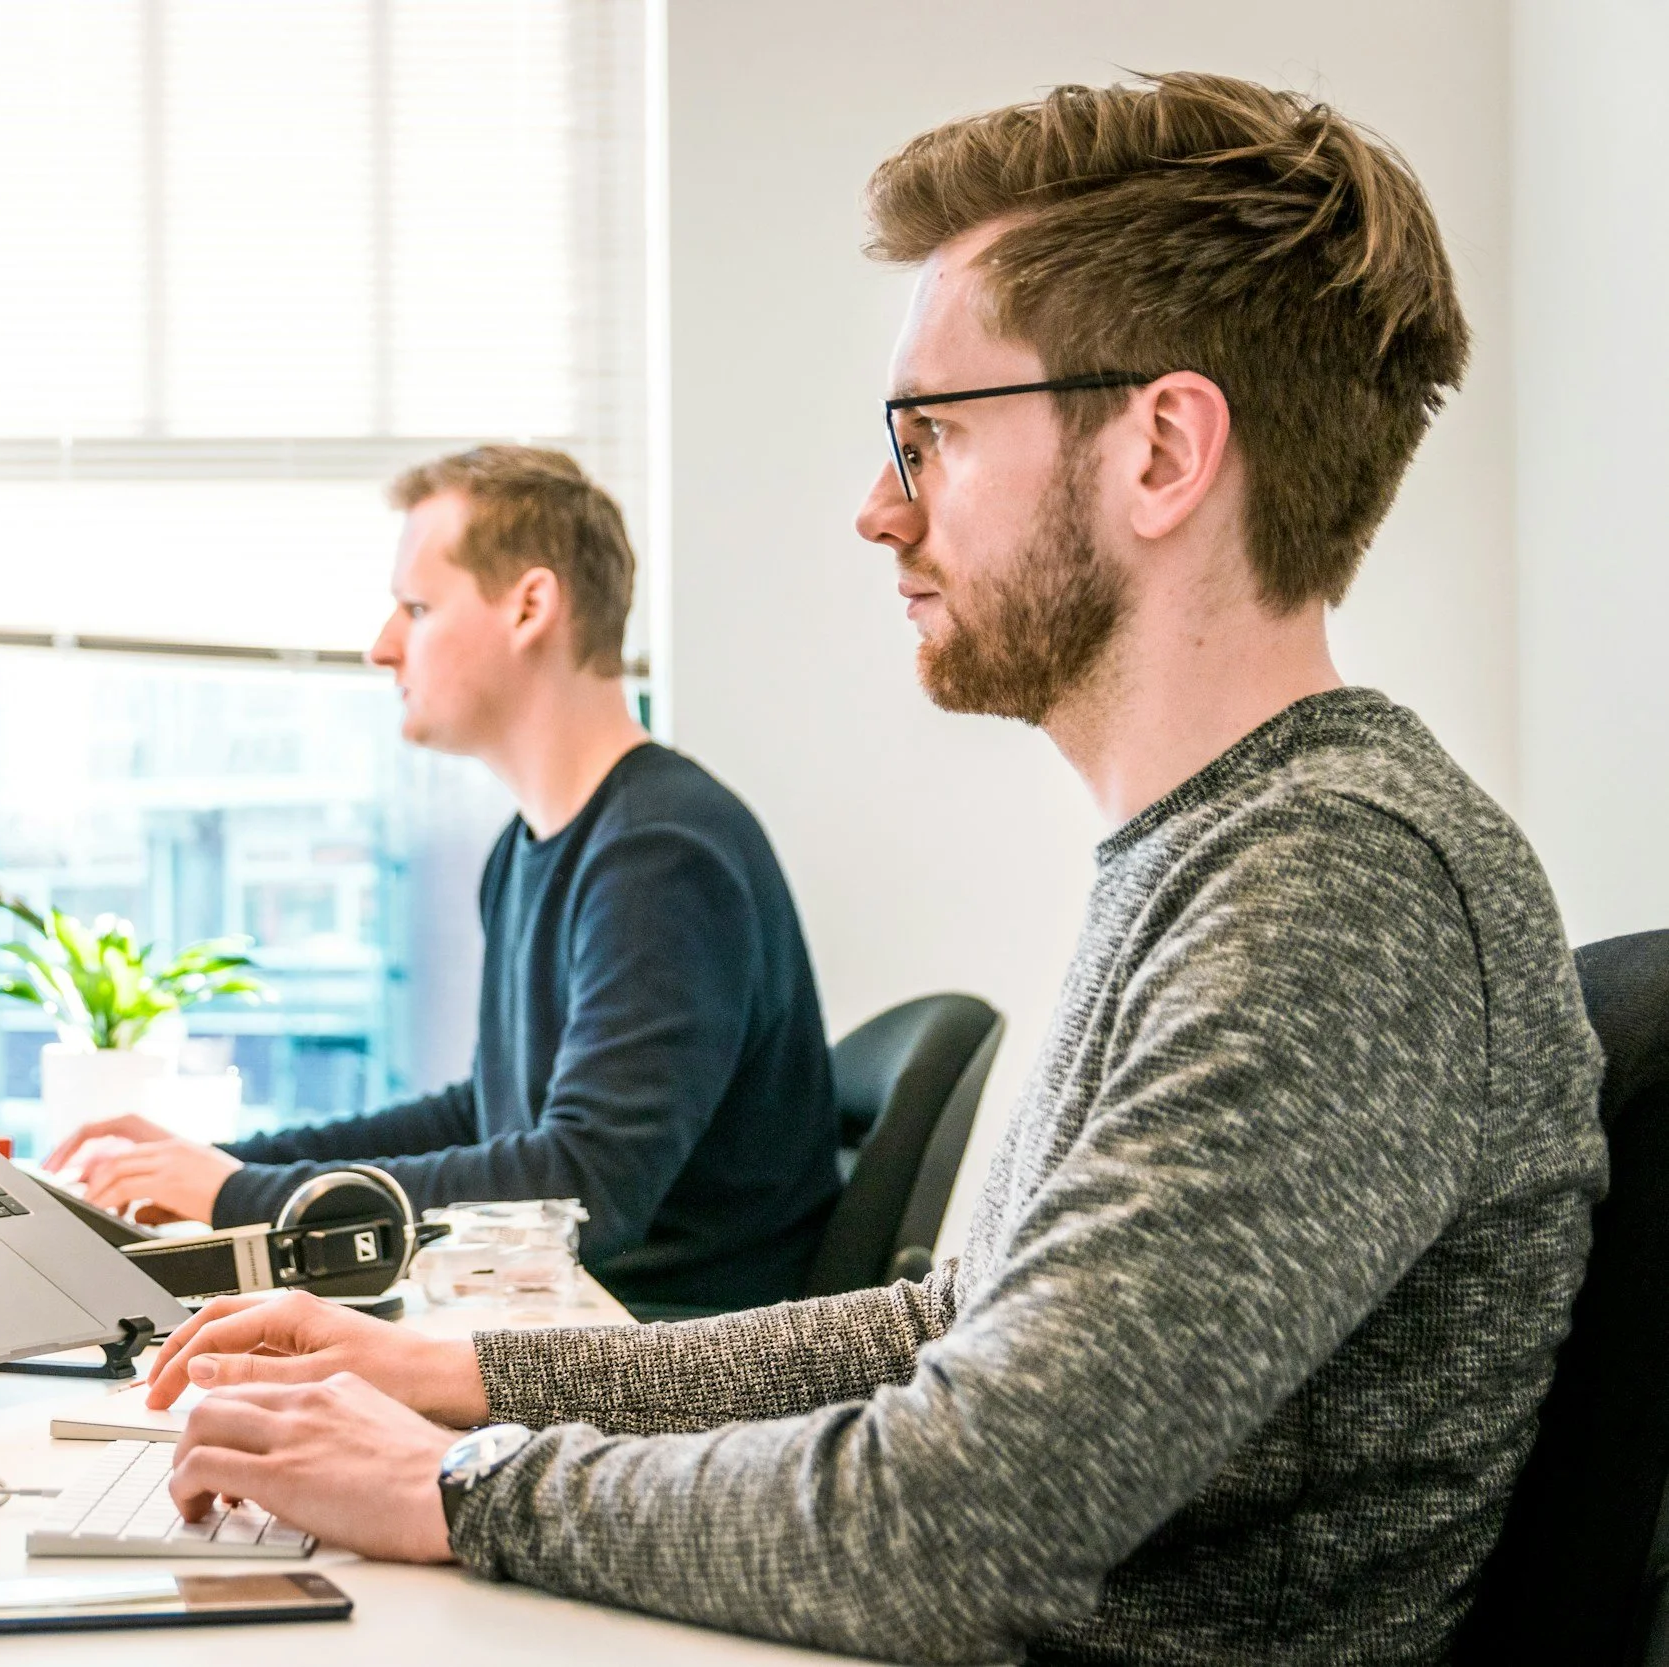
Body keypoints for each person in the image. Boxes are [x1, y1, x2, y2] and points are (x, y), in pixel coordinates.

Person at [131, 73, 1609, 1665]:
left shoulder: (1336, 889)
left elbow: (953, 1515)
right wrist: (470, 1376)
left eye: (931, 436)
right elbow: (945, 1330)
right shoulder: (1222, 853)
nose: (877, 508)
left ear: (1163, 448)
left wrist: (458, 1481)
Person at [46, 446, 841, 1316]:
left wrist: (241, 1197)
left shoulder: (662, 856)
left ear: (530, 606)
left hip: (662, 1356)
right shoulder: (532, 848)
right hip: (567, 1320)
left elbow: (582, 1190)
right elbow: (486, 1116)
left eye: (417, 607)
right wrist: (226, 1165)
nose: (382, 646)